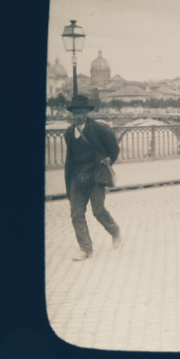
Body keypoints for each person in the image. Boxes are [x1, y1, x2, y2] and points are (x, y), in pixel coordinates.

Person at [64, 93, 122, 261]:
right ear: (72, 113)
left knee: (98, 210)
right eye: (75, 111)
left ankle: (115, 231)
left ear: (87, 112)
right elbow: (71, 158)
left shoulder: (99, 129)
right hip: (77, 177)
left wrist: (108, 162)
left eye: (81, 110)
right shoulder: (68, 133)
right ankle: (85, 248)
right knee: (76, 214)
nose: (78, 114)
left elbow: (114, 149)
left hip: (96, 176)